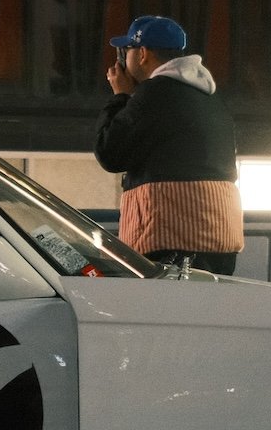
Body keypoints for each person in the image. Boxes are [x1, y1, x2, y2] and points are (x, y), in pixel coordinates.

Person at [93, 14, 244, 274]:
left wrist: (120, 97)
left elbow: (110, 152)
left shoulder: (154, 93)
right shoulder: (209, 96)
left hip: (170, 235)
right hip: (221, 236)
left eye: (125, 51)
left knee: (162, 310)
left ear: (142, 54)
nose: (122, 60)